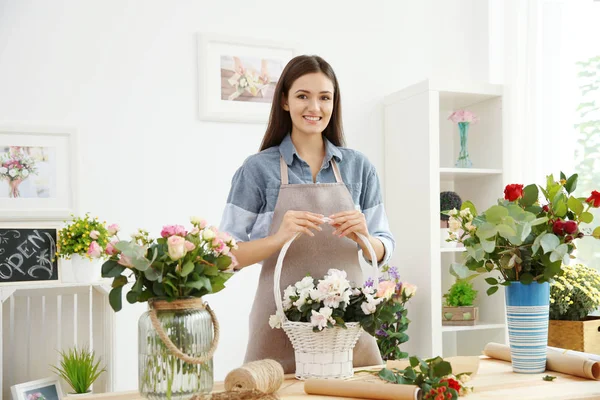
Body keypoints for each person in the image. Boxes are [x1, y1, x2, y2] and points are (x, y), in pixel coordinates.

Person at [219, 55, 395, 373]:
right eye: (303, 96)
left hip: (348, 324)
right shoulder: (257, 170)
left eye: (324, 97)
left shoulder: (359, 167)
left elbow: (383, 246)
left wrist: (365, 237)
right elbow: (224, 257)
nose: (314, 107)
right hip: (277, 323)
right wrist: (279, 238)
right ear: (285, 101)